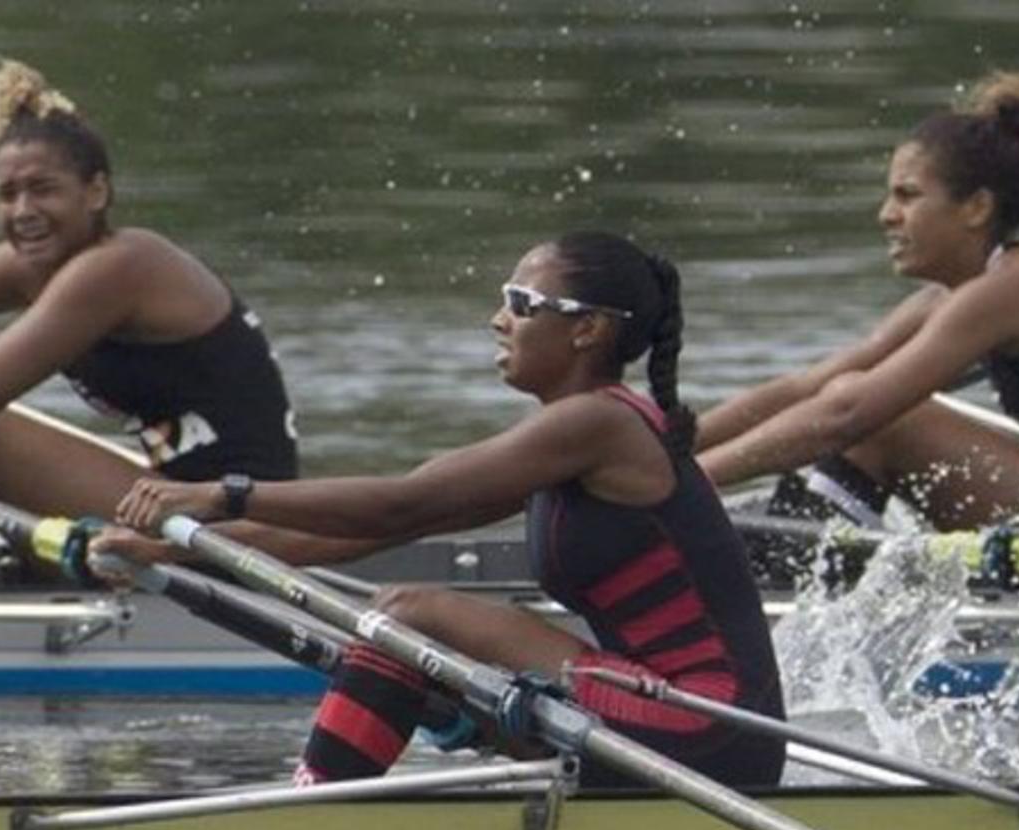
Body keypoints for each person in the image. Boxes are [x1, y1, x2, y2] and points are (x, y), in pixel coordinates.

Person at [109, 231, 786, 790]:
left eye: (522, 303)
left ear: (588, 329)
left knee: (410, 613)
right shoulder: (575, 436)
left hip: (711, 726)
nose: (499, 319)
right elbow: (387, 524)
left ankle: (312, 814)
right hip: (666, 715)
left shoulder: (595, 425)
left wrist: (222, 492)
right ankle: (348, 798)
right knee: (419, 644)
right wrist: (178, 548)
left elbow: (406, 495)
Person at [695, 71, 1019, 532]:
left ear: (975, 208)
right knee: (852, 396)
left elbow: (848, 414)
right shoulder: (956, 297)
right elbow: (807, 389)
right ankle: (796, 549)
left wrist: (682, 483)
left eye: (907, 195)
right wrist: (660, 441)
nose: (885, 215)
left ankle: (793, 564)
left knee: (887, 418)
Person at [0, 58, 298, 575]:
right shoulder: (34, 263)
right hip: (165, 496)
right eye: (7, 194)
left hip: (239, 526)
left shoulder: (123, 266)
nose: (22, 210)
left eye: (43, 189)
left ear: (97, 192)